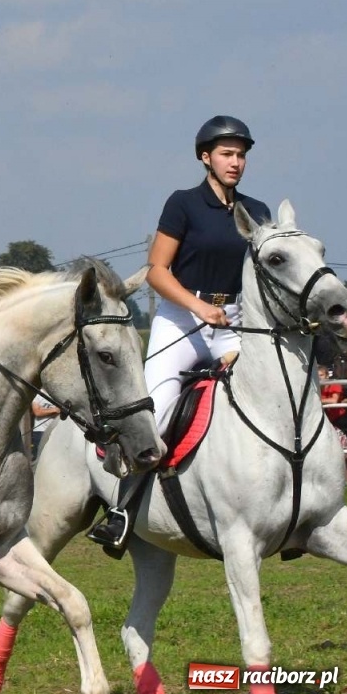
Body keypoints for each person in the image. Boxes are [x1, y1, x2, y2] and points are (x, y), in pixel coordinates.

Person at [86, 115, 269, 554]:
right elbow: (156, 271)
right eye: (227, 153)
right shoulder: (183, 204)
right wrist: (199, 307)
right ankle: (122, 511)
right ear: (205, 157)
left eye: (241, 154)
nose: (236, 162)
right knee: (157, 415)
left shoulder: (257, 212)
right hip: (182, 320)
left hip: (235, 320)